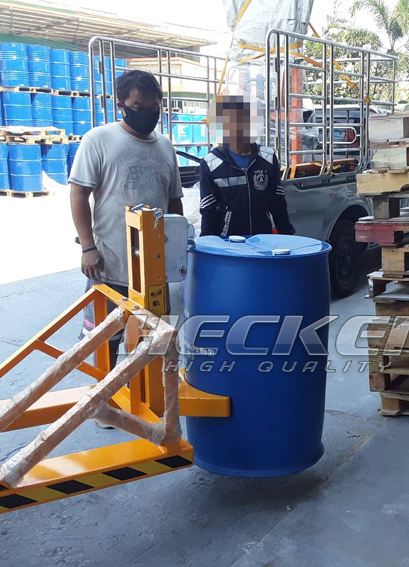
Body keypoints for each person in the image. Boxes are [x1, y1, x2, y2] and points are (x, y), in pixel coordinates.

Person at [68, 69, 183, 354]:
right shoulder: (98, 140)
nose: (147, 113)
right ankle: (105, 386)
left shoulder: (165, 146)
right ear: (121, 106)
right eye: (137, 107)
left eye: (153, 107)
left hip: (154, 270)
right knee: (103, 345)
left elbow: (174, 202)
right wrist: (87, 247)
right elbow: (78, 194)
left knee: (151, 346)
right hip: (110, 265)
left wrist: (176, 251)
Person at [197, 93, 294, 237]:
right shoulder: (210, 163)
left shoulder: (267, 158)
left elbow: (277, 202)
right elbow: (208, 210)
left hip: (262, 240)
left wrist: (288, 235)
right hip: (227, 242)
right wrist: (207, 242)